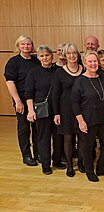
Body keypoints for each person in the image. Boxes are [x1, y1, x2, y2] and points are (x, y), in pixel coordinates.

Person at [71, 50, 104, 182]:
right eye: (90, 61)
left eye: (95, 61)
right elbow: (74, 103)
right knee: (88, 146)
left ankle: (101, 167)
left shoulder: (102, 77)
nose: (93, 64)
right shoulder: (80, 81)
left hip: (103, 118)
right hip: (87, 119)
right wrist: (80, 121)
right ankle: (89, 171)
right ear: (84, 63)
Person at [25, 45, 64, 174]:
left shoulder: (58, 70)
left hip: (57, 110)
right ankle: (46, 165)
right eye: (41, 56)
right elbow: (29, 93)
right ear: (38, 57)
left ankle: (57, 160)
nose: (45, 58)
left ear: (52, 56)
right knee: (44, 138)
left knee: (58, 137)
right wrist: (30, 110)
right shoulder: (33, 73)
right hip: (42, 110)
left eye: (47, 55)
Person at [4, 35, 40, 166]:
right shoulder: (13, 62)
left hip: (37, 100)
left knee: (38, 128)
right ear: (18, 46)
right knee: (24, 128)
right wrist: (18, 101)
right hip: (22, 100)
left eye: (29, 44)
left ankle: (38, 153)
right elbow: (10, 82)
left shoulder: (36, 60)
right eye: (23, 44)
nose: (26, 46)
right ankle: (27, 155)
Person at [52, 43, 84, 177]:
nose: (72, 56)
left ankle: (82, 163)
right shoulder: (59, 71)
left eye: (74, 53)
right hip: (65, 109)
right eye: (69, 53)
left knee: (83, 137)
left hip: (83, 108)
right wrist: (56, 113)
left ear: (78, 54)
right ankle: (70, 166)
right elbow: (55, 94)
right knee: (68, 137)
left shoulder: (84, 69)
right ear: (65, 55)